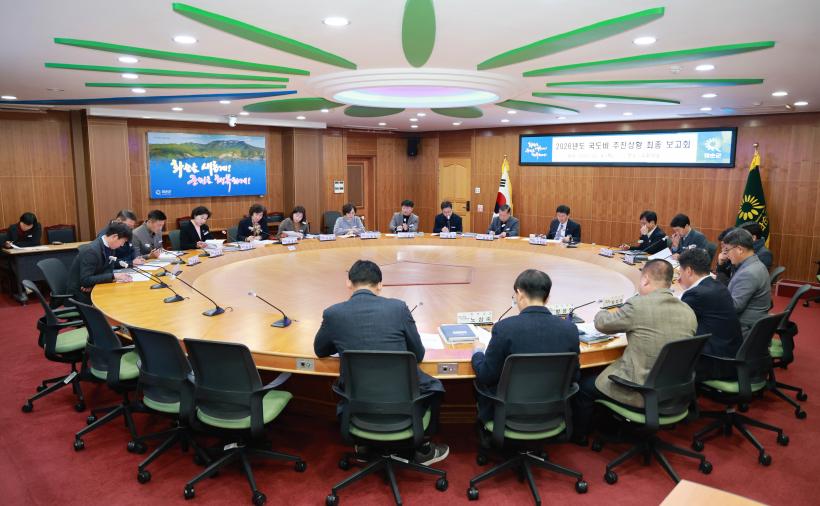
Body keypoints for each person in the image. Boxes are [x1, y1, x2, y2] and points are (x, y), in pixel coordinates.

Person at [313, 260, 448, 465]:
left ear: (349, 283)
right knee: (434, 387)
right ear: (380, 285)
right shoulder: (398, 308)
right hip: (402, 403)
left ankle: (365, 445)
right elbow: (418, 354)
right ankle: (421, 447)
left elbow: (320, 350)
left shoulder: (333, 314)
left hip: (358, 405)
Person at [575, 260, 697, 437]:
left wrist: (602, 311)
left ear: (645, 279)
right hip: (675, 393)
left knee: (585, 385)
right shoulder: (688, 310)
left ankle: (580, 436)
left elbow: (602, 324)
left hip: (639, 392)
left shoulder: (638, 305)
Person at [471, 269, 580, 425]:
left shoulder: (504, 328)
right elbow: (575, 376)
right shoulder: (570, 329)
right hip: (553, 414)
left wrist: (477, 352)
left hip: (508, 415)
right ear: (547, 297)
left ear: (520, 294)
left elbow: (486, 376)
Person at [678, 248, 743, 380]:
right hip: (731, 355)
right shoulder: (718, 285)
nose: (679, 277)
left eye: (680, 272)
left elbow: (675, 320)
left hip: (714, 362)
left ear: (689, 271)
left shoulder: (696, 294)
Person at [67, 222, 133, 304]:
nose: (122, 245)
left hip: (92, 288)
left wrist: (95, 284)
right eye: (122, 241)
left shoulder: (110, 247)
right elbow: (85, 280)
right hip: (79, 296)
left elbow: (108, 268)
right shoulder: (91, 251)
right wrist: (114, 276)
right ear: (115, 237)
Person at [722, 228, 771, 337]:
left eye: (727, 250)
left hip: (743, 330)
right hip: (752, 325)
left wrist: (712, 300)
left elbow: (733, 307)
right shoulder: (754, 263)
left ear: (739, 249)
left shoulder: (748, 273)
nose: (727, 255)